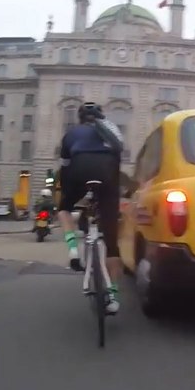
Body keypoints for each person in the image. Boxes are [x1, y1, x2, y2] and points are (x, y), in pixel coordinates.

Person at [57, 102, 122, 314]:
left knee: (64, 208)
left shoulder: (71, 134)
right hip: (108, 175)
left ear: (80, 119)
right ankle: (112, 296)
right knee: (112, 244)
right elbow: (118, 160)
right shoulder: (111, 130)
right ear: (101, 117)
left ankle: (74, 250)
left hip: (79, 171)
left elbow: (65, 168)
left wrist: (68, 194)